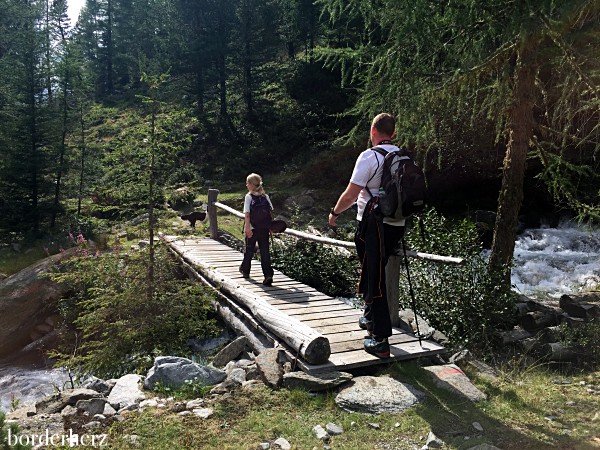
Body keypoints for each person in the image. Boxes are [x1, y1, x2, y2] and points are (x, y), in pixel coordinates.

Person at [328, 113, 405, 358]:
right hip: (398, 222)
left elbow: (352, 193)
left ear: (373, 131)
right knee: (372, 268)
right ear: (392, 133)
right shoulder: (402, 156)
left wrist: (334, 213)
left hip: (374, 223)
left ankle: (380, 340)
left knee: (375, 276)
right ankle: (371, 315)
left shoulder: (369, 156)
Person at [239, 173, 275, 286]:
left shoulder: (249, 196)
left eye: (247, 183)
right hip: (264, 229)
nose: (246, 185)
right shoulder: (265, 197)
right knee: (265, 252)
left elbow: (247, 215)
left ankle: (245, 271)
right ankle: (268, 275)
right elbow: (271, 211)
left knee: (249, 250)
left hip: (253, 228)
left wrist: (247, 228)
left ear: (251, 184)